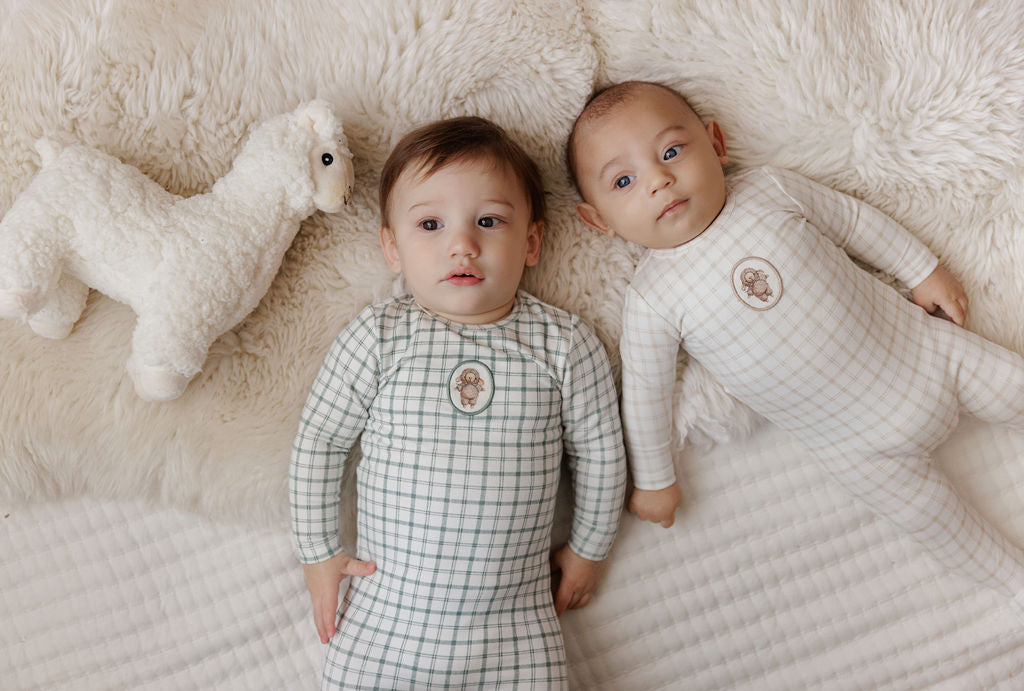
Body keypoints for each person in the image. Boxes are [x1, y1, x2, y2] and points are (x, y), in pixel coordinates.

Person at [566, 80, 1024, 616]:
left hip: (933, 354)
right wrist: (654, 478)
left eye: (671, 151)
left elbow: (854, 222)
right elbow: (646, 394)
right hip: (858, 449)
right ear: (599, 220)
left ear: (716, 143)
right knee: (932, 519)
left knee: (1012, 383)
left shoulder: (769, 190)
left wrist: (922, 270)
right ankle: (1013, 582)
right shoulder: (652, 299)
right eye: (623, 181)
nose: (658, 180)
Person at [291, 115, 628, 689]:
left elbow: (600, 453)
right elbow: (319, 441)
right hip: (385, 628)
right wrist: (318, 553)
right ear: (392, 249)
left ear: (531, 242)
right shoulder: (379, 337)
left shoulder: (564, 345)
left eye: (489, 221)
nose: (463, 245)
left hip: (515, 634)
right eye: (430, 224)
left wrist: (588, 549)